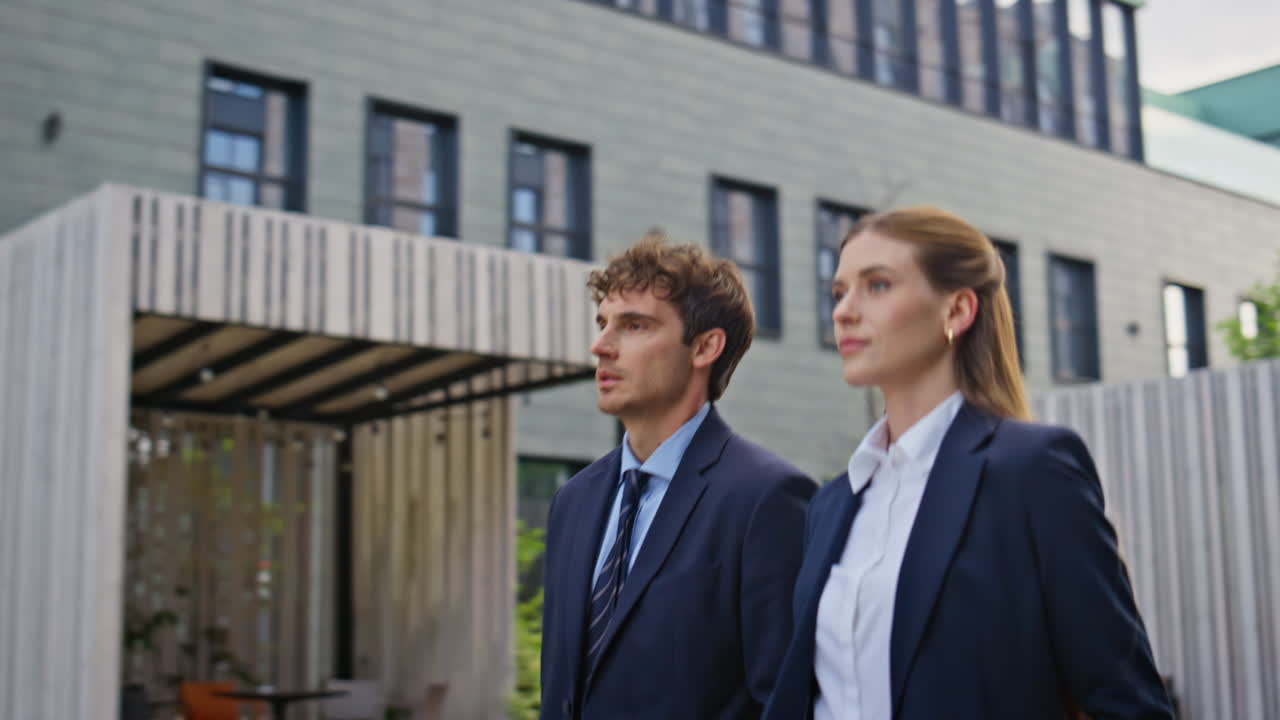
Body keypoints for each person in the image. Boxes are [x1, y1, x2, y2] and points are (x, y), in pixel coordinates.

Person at [762, 207, 1174, 720]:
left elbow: (1128, 701)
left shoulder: (1032, 472)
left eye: (878, 285)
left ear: (957, 311)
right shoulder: (831, 504)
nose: (844, 310)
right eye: (839, 291)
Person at [539, 234, 816, 720]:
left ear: (706, 346)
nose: (601, 346)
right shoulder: (573, 501)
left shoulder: (767, 500)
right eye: (603, 324)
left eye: (634, 325)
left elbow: (787, 704)